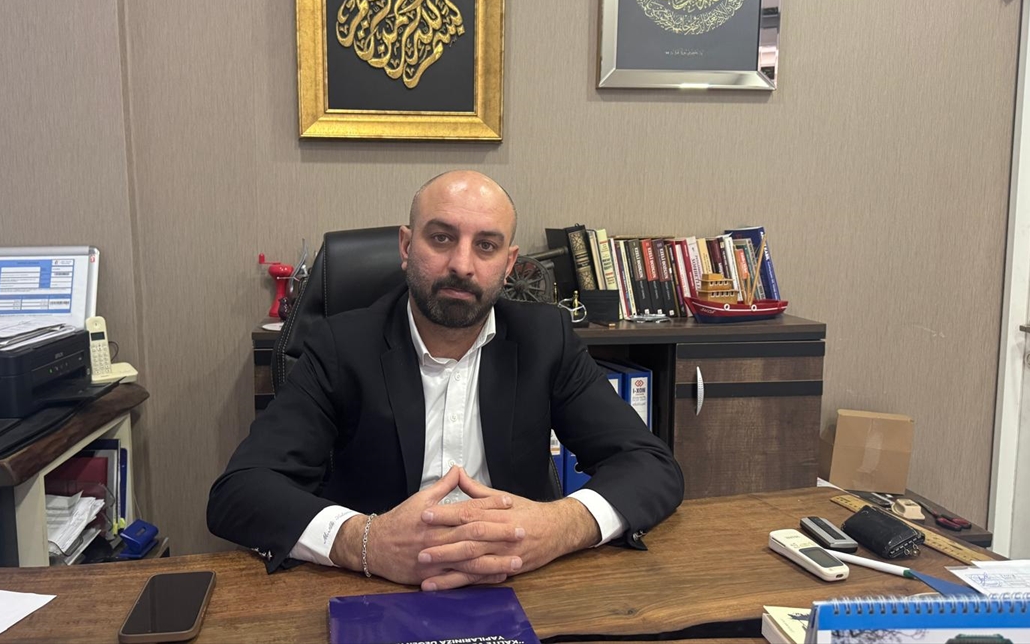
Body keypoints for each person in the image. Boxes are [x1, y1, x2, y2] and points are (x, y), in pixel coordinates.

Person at [208, 171, 684, 591]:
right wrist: (365, 542)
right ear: (406, 246)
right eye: (441, 238)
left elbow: (650, 465)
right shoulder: (340, 345)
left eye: (486, 245)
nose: (462, 264)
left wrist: (559, 526)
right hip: (376, 588)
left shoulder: (546, 339)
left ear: (509, 264)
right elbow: (241, 491)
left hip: (521, 583)